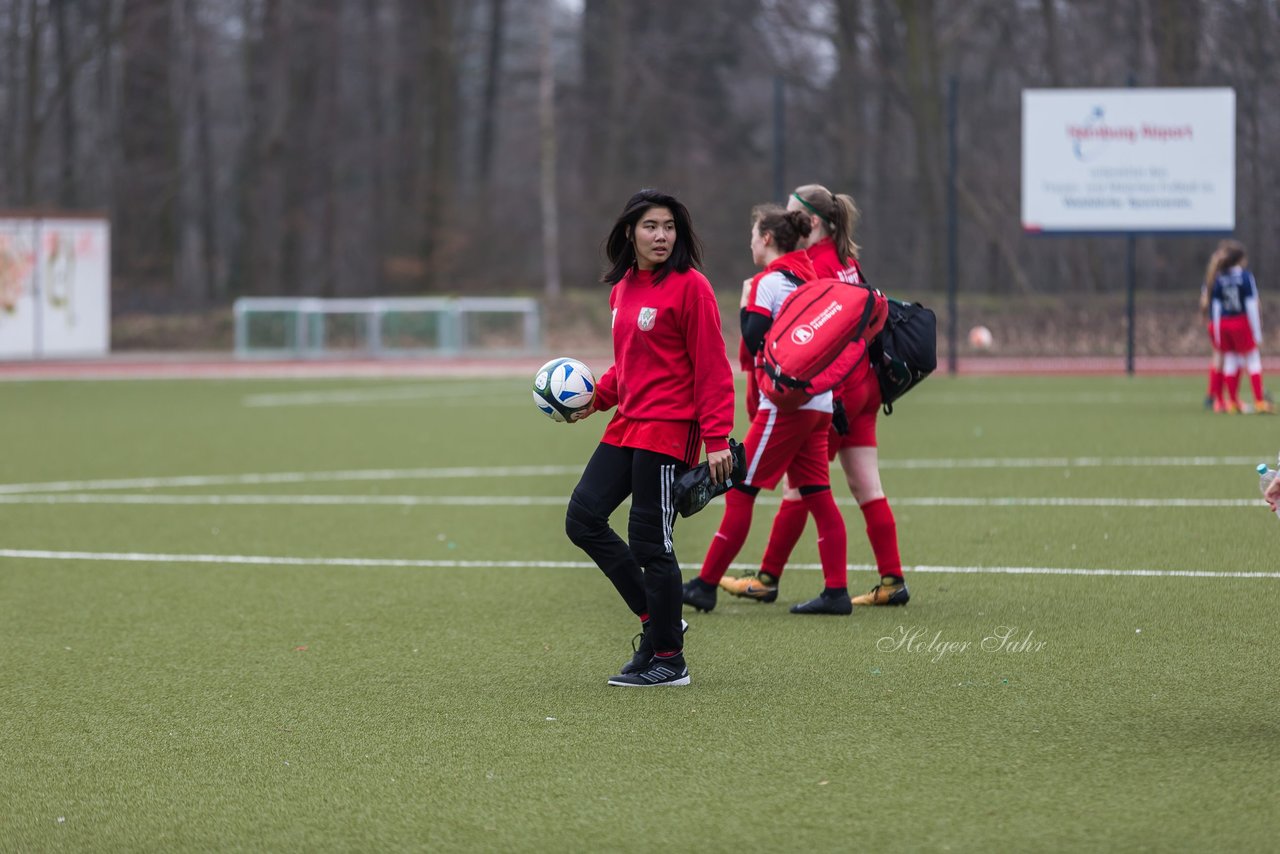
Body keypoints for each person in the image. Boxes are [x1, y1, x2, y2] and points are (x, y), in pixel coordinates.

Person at [565, 189, 735, 688]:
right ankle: (655, 619)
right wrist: (595, 399)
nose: (661, 236)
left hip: (670, 428)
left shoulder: (692, 287)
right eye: (650, 227)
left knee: (650, 542)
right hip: (628, 424)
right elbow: (631, 364)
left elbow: (711, 366)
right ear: (629, 233)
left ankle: (669, 660)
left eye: (668, 227)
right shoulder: (622, 289)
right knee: (584, 519)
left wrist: (718, 437)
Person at [717, 183, 909, 607]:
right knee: (865, 485)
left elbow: (805, 341)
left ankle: (767, 577)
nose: (790, 221)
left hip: (831, 393)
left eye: (794, 214)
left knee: (802, 488)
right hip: (865, 387)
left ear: (814, 222)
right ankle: (892, 580)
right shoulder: (847, 262)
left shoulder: (810, 268)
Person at [682, 204, 853, 615]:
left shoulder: (767, 282)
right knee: (818, 495)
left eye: (754, 235)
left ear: (768, 239)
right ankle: (836, 591)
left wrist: (746, 300)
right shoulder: (811, 279)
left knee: (741, 490)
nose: (751, 243)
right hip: (820, 402)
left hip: (785, 403)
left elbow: (755, 336)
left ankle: (705, 584)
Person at [1207, 240, 1271, 415]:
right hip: (1241, 322)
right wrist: (1257, 332)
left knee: (1231, 359)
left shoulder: (1219, 279)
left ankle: (1232, 402)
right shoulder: (1245, 277)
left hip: (1224, 324)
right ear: (1240, 259)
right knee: (1253, 360)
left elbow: (1216, 307)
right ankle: (1259, 401)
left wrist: (1219, 333)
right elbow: (1251, 305)